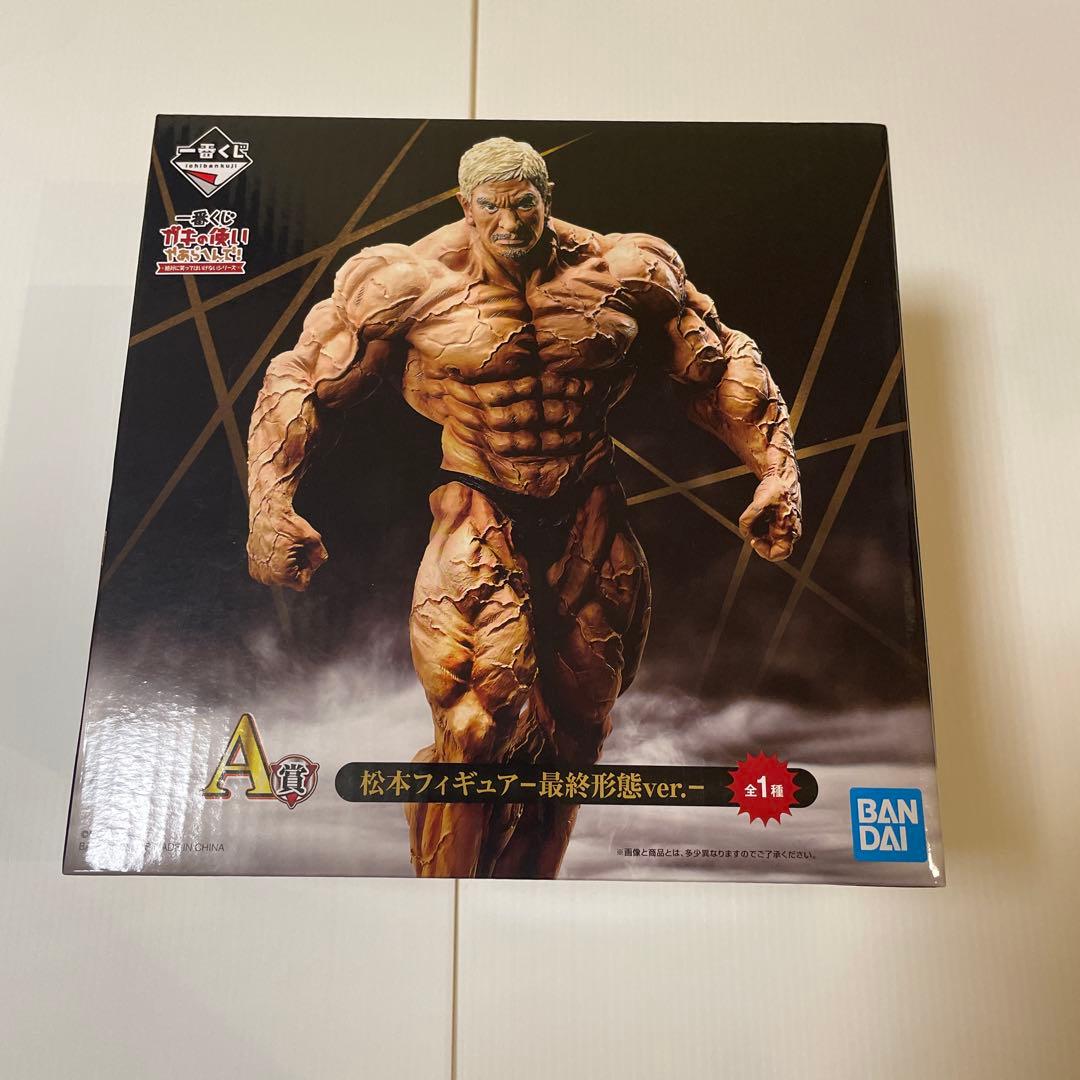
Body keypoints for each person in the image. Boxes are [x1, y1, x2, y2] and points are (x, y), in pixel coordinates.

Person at [246, 136, 802, 877]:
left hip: (589, 508)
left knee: (577, 739)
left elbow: (719, 363)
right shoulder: (406, 281)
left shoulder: (625, 269)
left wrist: (777, 472)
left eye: (524, 206)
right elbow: (305, 382)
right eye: (491, 208)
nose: (509, 224)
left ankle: (521, 898)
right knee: (476, 726)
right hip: (478, 502)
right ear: (464, 205)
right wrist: (269, 502)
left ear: (548, 197)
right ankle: (446, 900)